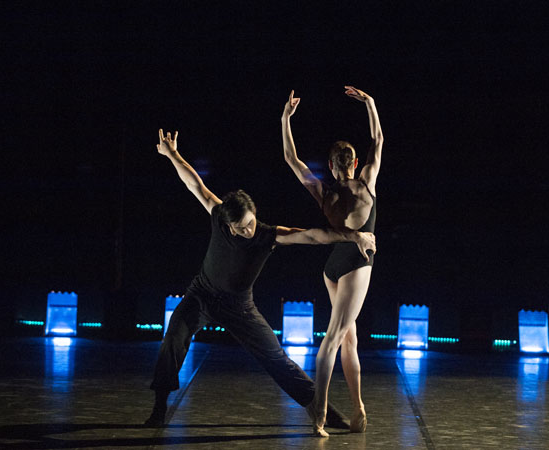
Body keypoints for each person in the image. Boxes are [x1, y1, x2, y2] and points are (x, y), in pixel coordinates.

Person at [145, 129, 376, 429]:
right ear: (228, 225)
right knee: (173, 337)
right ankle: (159, 406)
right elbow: (195, 184)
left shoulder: (267, 235)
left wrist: (354, 236)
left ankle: (323, 409)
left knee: (276, 359)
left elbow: (313, 236)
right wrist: (172, 154)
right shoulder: (218, 214)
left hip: (239, 306)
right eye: (241, 228)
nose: (248, 230)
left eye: (251, 223)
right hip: (202, 294)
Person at [281, 86, 383, 436]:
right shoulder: (367, 182)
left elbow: (291, 160)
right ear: (354, 163)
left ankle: (358, 409)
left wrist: (285, 119)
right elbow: (378, 140)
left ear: (330, 165)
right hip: (356, 264)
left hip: (333, 267)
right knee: (334, 337)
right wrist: (369, 104)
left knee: (348, 340)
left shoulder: (323, 192)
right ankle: (320, 413)